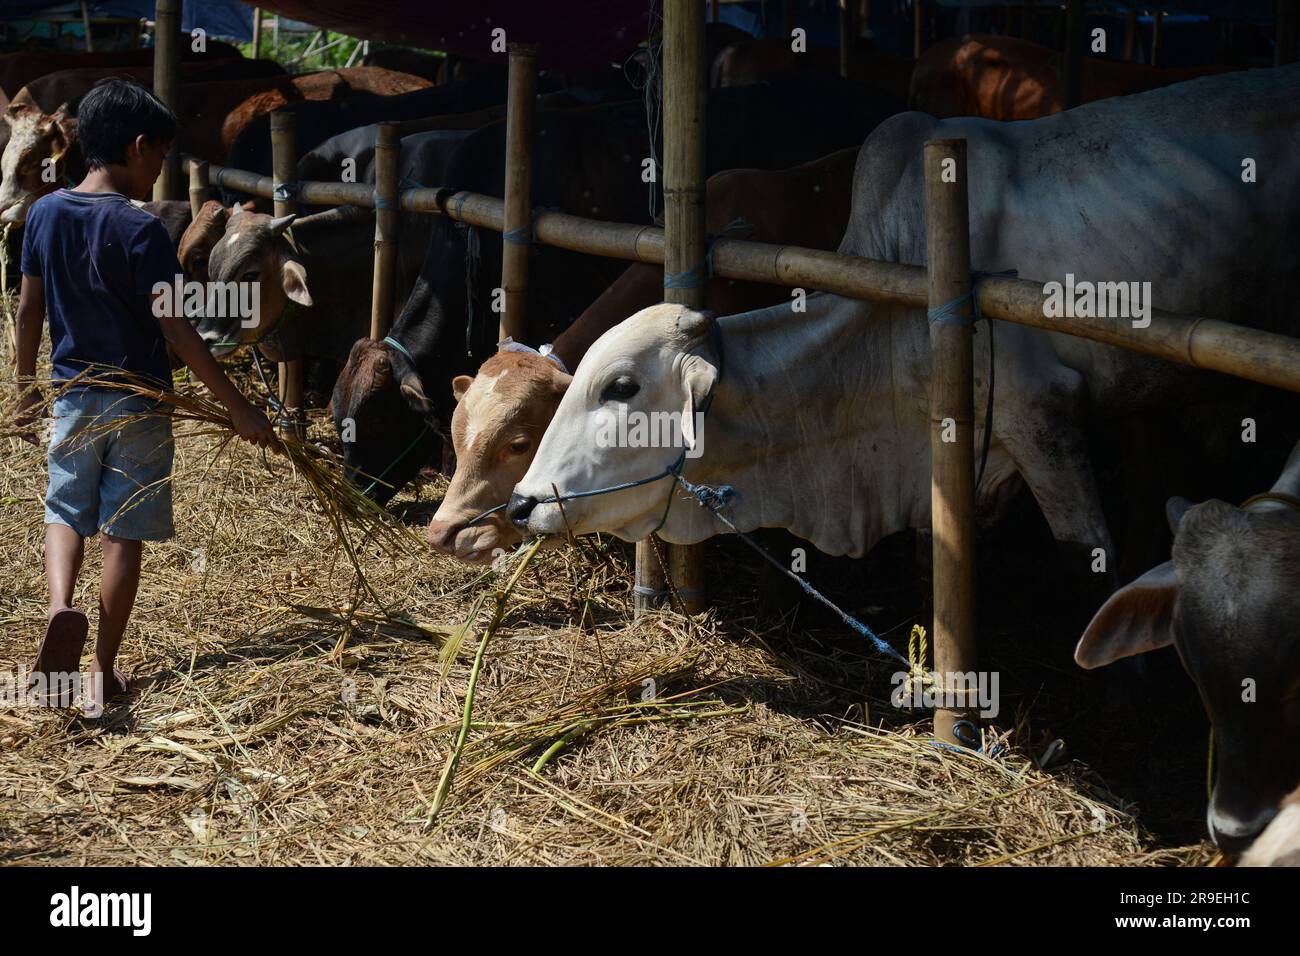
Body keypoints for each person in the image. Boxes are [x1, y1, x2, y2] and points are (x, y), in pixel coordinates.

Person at [12, 78, 277, 714]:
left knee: (65, 509)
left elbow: (27, 310)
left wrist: (25, 387)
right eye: (159, 156)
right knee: (122, 532)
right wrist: (234, 403)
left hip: (74, 393)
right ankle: (102, 670)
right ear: (136, 147)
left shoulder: (44, 213)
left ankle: (58, 607)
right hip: (141, 402)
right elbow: (176, 328)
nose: (159, 170)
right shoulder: (142, 230)